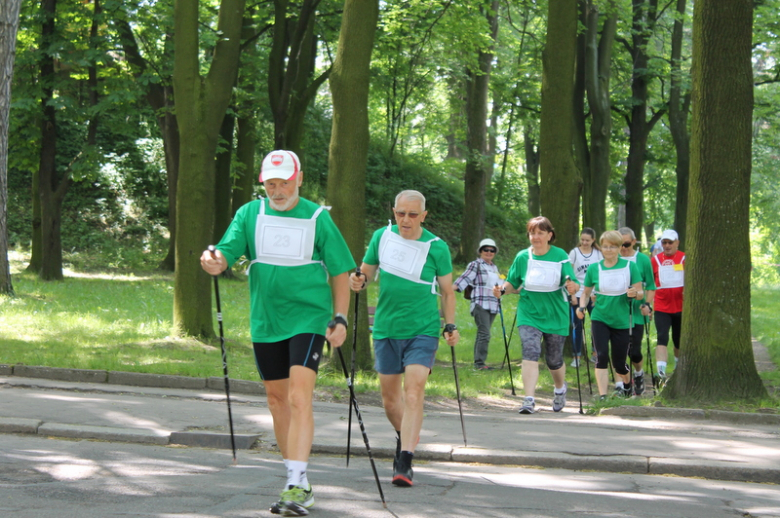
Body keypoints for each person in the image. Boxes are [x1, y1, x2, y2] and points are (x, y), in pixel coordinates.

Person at [201, 150, 355, 516]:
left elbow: (339, 271)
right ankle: (297, 481)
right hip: (266, 319)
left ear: (298, 179)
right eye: (270, 183)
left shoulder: (318, 217)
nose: (277, 190)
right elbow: (224, 253)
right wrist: (213, 260)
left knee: (300, 397)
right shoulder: (250, 213)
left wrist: (340, 317)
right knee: (276, 399)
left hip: (309, 317)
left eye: (284, 182)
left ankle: (294, 484)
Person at [349, 190, 459, 488]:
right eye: (400, 213)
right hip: (386, 328)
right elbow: (365, 273)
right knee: (389, 401)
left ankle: (405, 460)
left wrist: (450, 324)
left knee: (413, 392)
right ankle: (407, 433)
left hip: (422, 329)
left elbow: (448, 292)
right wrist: (358, 280)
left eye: (412, 214)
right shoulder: (382, 237)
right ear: (393, 211)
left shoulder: (437, 247)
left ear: (424, 215)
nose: (405, 220)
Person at [493, 216, 578, 415]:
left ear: (550, 235)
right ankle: (529, 399)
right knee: (530, 350)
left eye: (540, 233)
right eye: (532, 233)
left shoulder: (560, 256)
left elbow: (572, 281)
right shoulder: (523, 257)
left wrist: (573, 286)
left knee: (554, 360)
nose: (536, 237)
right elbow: (512, 281)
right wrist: (502, 291)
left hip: (555, 313)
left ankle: (559, 389)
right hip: (529, 312)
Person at [576, 231, 644, 399]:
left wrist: (634, 293)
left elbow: (640, 292)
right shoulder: (594, 268)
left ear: (620, 248)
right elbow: (585, 293)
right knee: (601, 355)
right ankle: (603, 395)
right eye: (606, 246)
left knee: (619, 364)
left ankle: (628, 384)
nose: (609, 250)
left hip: (621, 320)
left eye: (613, 247)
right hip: (600, 317)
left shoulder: (629, 266)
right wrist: (581, 307)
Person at [618, 227, 656, 395]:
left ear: (633, 242)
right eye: (620, 244)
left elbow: (651, 286)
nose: (623, 248)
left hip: (637, 313)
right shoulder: (613, 259)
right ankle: (622, 385)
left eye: (626, 244)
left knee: (635, 352)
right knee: (619, 351)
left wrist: (647, 304)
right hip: (617, 312)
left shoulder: (642, 260)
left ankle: (639, 373)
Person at [453, 238, 501, 370]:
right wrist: (451, 289)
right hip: (480, 302)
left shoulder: (494, 268)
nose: (489, 252)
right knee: (484, 333)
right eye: (486, 249)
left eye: (492, 250)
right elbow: (465, 277)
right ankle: (479, 364)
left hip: (493, 304)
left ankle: (480, 362)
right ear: (480, 251)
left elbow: (499, 284)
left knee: (485, 333)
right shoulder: (476, 264)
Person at [652, 229, 685, 381]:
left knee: (678, 339)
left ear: (677, 243)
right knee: (662, 337)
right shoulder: (656, 260)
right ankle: (661, 373)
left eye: (670, 242)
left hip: (681, 306)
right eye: (664, 242)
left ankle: (679, 370)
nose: (667, 245)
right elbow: (650, 282)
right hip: (662, 306)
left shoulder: (684, 258)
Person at [568, 228, 603, 367]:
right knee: (576, 326)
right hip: (578, 293)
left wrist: (597, 293)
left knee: (596, 325)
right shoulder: (574, 253)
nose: (584, 242)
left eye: (587, 240)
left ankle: (596, 353)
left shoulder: (598, 254)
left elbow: (601, 274)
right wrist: (572, 296)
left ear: (593, 240)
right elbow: (569, 275)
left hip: (594, 294)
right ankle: (576, 356)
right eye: (582, 239)